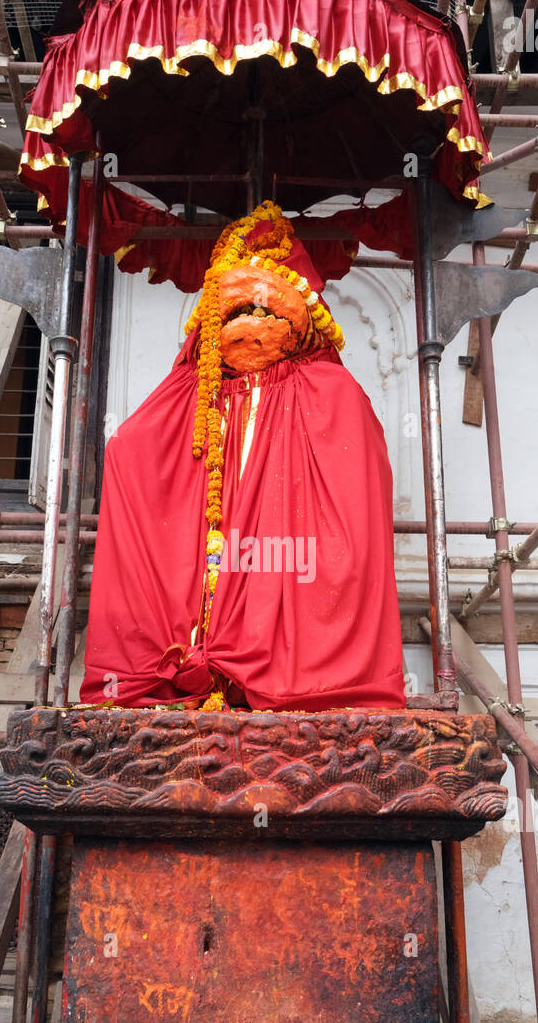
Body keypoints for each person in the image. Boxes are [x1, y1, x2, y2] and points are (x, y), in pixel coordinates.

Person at [80, 201, 405, 711]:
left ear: (302, 324)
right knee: (127, 448)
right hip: (206, 557)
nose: (256, 322)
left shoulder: (331, 390)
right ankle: (195, 660)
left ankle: (278, 666)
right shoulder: (188, 392)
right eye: (241, 310)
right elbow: (132, 448)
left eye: (270, 311)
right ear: (212, 326)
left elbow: (359, 489)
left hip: (283, 564)